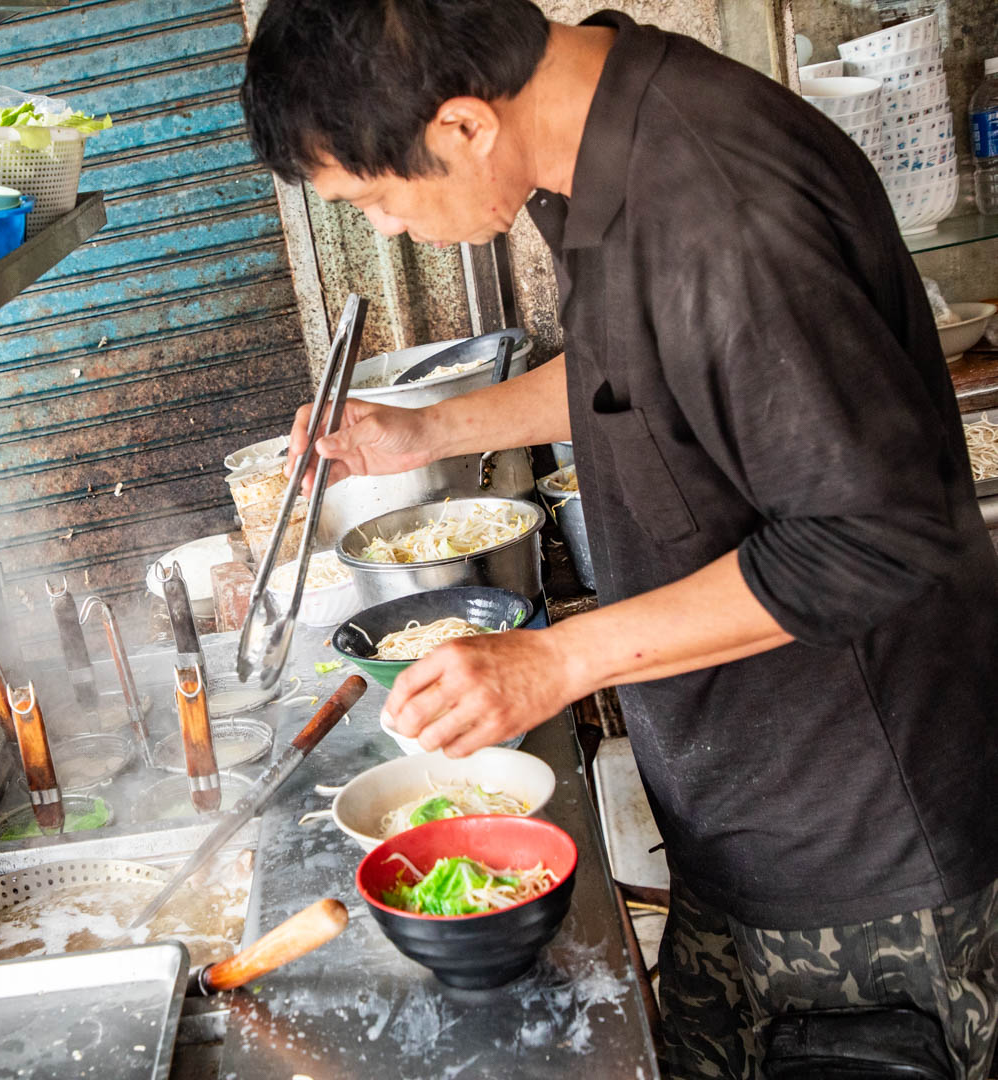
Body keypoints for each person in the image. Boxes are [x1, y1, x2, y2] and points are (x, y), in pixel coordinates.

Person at [241, 2, 998, 1077]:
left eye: (375, 200)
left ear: (462, 128)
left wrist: (552, 658)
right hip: (748, 804)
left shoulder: (722, 212)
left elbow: (874, 538)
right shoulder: (602, 137)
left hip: (860, 844)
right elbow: (632, 368)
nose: (389, 233)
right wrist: (424, 430)